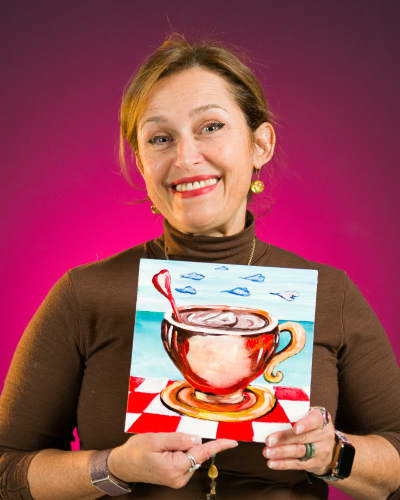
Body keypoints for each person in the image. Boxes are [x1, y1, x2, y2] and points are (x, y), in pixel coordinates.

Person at [0, 34, 399, 500]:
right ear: (142, 162)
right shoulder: (84, 294)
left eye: (210, 126)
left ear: (260, 144)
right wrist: (112, 468)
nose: (185, 157)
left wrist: (335, 454)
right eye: (160, 138)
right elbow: (6, 469)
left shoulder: (331, 294)